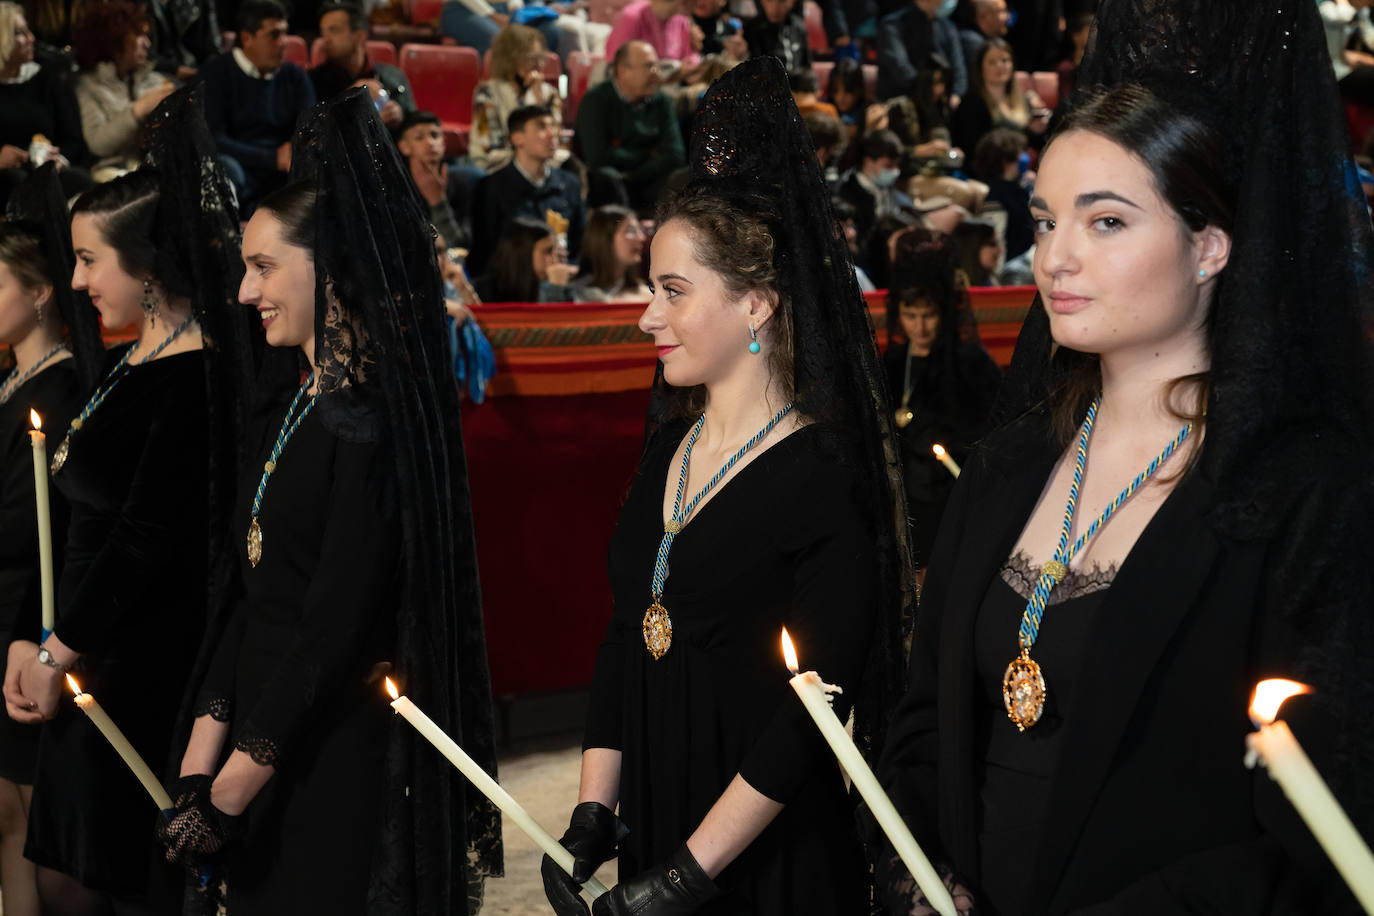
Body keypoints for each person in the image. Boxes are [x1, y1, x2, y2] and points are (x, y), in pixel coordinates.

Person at [876, 0, 1374, 912]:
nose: (1054, 256)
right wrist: (919, 871)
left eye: (1105, 222)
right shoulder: (1008, 464)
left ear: (1211, 247)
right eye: (1046, 217)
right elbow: (928, 715)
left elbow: (1322, 832)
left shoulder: (1305, 495)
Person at [541, 55, 910, 916]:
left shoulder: (823, 473)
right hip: (661, 822)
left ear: (757, 305)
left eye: (673, 291)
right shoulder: (671, 445)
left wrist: (688, 874)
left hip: (762, 859)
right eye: (648, 290)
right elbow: (626, 632)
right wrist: (596, 809)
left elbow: (812, 714)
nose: (646, 317)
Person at [159, 87, 502, 915]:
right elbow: (252, 594)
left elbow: (333, 625)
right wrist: (200, 766)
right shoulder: (296, 398)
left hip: (329, 759)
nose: (244, 292)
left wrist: (233, 784)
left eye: (265, 267)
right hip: (256, 756)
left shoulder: (373, 420)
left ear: (332, 265)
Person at [2, 87, 253, 916]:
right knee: (64, 876)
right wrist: (33, 639)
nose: (75, 280)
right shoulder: (129, 361)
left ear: (145, 265)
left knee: (110, 886)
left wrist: (56, 650)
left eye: (87, 260)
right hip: (83, 654)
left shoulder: (191, 375)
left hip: (140, 666)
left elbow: (146, 538)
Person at [0, 164, 103, 916]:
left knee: (29, 817)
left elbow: (32, 531)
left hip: (24, 622)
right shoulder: (10, 385)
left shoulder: (60, 393)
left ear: (41, 293)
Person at [882, 229, 1000, 571]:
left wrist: (943, 436)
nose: (919, 327)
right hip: (904, 496)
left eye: (928, 315)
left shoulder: (969, 362)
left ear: (944, 313)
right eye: (910, 314)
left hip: (950, 495)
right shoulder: (893, 361)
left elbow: (991, 431)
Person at [200, 0, 316, 211]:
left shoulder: (295, 77)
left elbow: (311, 129)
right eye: (274, 35)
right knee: (223, 169)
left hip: (285, 171)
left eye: (285, 33)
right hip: (239, 169)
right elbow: (213, 139)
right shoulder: (216, 73)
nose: (283, 43)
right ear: (247, 38)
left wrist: (295, 151)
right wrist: (271, 158)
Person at [469, 104, 584, 275]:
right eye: (541, 127)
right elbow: (486, 252)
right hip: (512, 284)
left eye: (552, 126)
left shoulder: (570, 184)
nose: (552, 134)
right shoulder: (492, 188)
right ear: (517, 138)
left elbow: (580, 244)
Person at [575, 40, 686, 210]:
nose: (656, 73)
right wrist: (650, 154)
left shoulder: (661, 101)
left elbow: (676, 155)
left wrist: (633, 174)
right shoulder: (595, 100)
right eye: (649, 66)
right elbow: (598, 158)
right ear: (623, 70)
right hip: (611, 183)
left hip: (646, 179)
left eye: (657, 66)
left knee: (685, 176)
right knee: (607, 177)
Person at [0, 3, 91, 210]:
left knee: (80, 181)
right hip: (8, 177)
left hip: (50, 170)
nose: (31, 38)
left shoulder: (49, 79)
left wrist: (59, 159)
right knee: (17, 183)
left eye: (28, 30)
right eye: (19, 33)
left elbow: (73, 139)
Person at [72, 1, 176, 180]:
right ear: (114, 40)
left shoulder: (156, 81)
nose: (147, 43)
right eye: (138, 35)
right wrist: (138, 110)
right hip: (111, 175)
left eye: (146, 35)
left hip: (156, 169)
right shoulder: (89, 86)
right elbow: (98, 143)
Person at [468, 24, 564, 173]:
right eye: (532, 59)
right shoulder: (488, 93)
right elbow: (487, 147)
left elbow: (554, 141)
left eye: (541, 58)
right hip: (499, 166)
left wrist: (540, 103)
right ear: (511, 60)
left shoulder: (549, 94)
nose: (538, 65)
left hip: (543, 165)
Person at [309, 2, 414, 130]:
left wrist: (400, 114)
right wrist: (351, 97)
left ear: (360, 36)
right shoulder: (314, 80)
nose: (326, 39)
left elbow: (416, 123)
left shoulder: (393, 76)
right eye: (323, 32)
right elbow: (314, 130)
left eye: (334, 30)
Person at [950, 37, 1047, 155]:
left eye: (1005, 60)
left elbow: (1035, 143)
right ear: (981, 67)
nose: (1000, 66)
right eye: (992, 62)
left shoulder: (1024, 100)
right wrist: (1027, 134)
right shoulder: (971, 103)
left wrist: (1039, 130)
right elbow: (976, 148)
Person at [396, 110, 472, 251]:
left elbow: (460, 248)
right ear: (404, 146)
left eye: (435, 135)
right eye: (419, 137)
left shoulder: (464, 183)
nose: (430, 143)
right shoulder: (396, 189)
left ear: (444, 143)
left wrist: (438, 202)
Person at [876, 0, 967, 105]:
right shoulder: (892, 25)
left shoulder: (947, 27)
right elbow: (902, 68)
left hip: (939, 104)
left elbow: (958, 67)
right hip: (901, 103)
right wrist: (929, 90)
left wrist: (956, 94)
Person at [838, 129, 912, 253]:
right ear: (868, 161)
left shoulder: (885, 185)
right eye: (888, 166)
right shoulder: (850, 193)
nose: (894, 171)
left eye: (896, 165)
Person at [473, 215, 578, 301]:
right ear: (523, 254)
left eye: (556, 252)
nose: (555, 260)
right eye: (548, 251)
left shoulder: (542, 288)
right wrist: (556, 291)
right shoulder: (482, 293)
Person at [970, 125, 1032, 259]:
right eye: (1020, 152)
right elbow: (996, 241)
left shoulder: (1020, 187)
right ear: (1006, 159)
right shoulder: (995, 196)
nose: (1024, 157)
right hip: (1012, 269)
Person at [571, 204, 650, 301]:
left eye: (640, 230)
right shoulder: (573, 294)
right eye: (630, 231)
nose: (641, 238)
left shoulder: (646, 295)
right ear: (604, 239)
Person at [605, 0, 700, 74]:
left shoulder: (681, 19)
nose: (699, 3)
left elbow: (691, 57)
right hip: (637, 89)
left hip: (672, 84)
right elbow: (616, 66)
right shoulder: (632, 17)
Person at [1321, 0, 1374, 108]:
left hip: (1343, 67)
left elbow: (1370, 38)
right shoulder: (1327, 7)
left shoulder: (1359, 11)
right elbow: (1344, 17)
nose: (1371, 4)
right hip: (1330, 72)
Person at [743, 0, 809, 71]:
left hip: (798, 79)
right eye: (770, 1)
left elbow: (807, 66)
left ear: (792, 2)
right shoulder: (751, 29)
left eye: (782, 1)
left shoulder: (799, 26)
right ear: (762, 1)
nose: (775, 8)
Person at [949, 215, 1000, 286]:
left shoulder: (989, 279)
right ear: (972, 246)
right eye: (992, 244)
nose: (999, 251)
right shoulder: (954, 287)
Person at [956, 0, 1006, 66]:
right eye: (1000, 11)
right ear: (982, 16)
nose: (1006, 16)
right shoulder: (973, 42)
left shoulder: (986, 39)